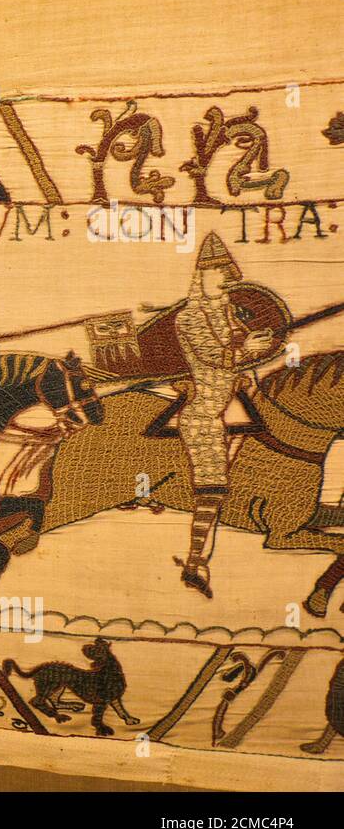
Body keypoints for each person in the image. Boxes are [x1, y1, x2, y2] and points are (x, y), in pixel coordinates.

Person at [172, 232, 274, 598]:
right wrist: (244, 351)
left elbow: (238, 354)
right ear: (198, 277)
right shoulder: (189, 317)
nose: (221, 276)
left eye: (225, 269)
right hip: (203, 413)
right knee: (212, 489)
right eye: (212, 270)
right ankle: (196, 561)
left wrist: (251, 355)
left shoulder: (229, 312)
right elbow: (211, 356)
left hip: (228, 402)